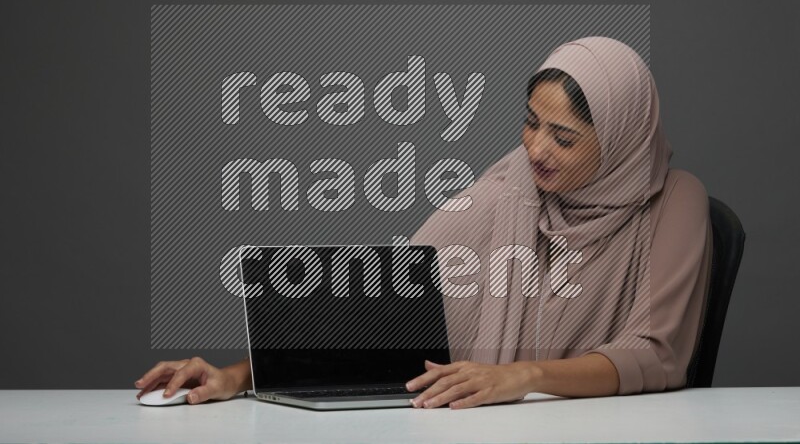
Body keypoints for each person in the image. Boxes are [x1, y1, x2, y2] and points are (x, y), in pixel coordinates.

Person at [135, 36, 713, 410]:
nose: (536, 149)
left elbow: (656, 354)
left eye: (563, 138)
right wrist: (238, 375)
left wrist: (518, 376)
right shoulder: (516, 187)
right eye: (531, 123)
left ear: (620, 142)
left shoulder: (675, 200)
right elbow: (385, 314)